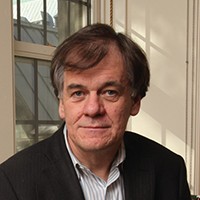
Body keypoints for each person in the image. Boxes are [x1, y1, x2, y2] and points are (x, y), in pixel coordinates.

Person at [0, 23, 191, 200]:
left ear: (135, 102)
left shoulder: (169, 170)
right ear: (61, 104)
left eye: (110, 92)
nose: (93, 109)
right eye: (78, 93)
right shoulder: (12, 182)